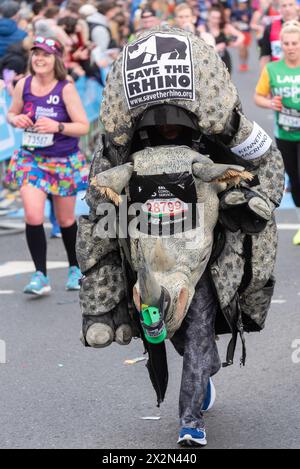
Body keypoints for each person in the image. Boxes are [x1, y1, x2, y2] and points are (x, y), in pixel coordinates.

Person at [77, 25, 284, 447]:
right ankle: (104, 304)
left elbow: (265, 161)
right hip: (150, 248)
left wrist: (249, 197)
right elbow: (98, 184)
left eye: (176, 124)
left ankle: (191, 422)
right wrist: (105, 200)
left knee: (202, 331)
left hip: (199, 253)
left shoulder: (220, 120)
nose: (168, 127)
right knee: (100, 231)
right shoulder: (121, 139)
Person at [5, 35, 90, 294]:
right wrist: (15, 120)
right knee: (33, 215)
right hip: (32, 159)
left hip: (63, 160)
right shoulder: (24, 84)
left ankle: (75, 269)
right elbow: (12, 112)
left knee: (65, 220)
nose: (39, 58)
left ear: (56, 60)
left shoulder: (65, 87)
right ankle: (40, 275)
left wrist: (58, 126)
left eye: (46, 54)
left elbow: (83, 126)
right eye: (36, 54)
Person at [255, 19, 300, 245]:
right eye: (286, 43)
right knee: (295, 179)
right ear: (280, 45)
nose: (290, 47)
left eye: (294, 43)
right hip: (285, 133)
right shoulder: (272, 69)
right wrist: (270, 103)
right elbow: (258, 96)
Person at [198, 5, 244, 74]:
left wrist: (234, 44)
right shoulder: (202, 28)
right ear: (208, 17)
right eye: (213, 18)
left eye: (218, 18)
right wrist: (217, 47)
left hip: (223, 59)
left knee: (226, 81)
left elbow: (241, 36)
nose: (215, 20)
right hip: (209, 60)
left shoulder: (224, 27)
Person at [259, 0, 299, 69]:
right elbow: (265, 56)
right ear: (279, 9)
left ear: (297, 7)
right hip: (278, 74)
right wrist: (263, 77)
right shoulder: (270, 28)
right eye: (284, 6)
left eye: (290, 5)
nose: (287, 9)